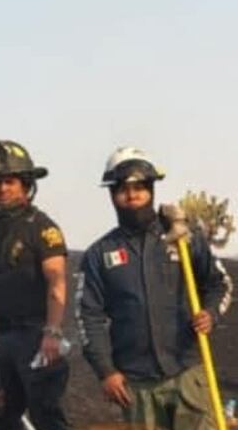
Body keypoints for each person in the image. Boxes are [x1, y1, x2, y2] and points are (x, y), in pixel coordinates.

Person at [77, 147, 234, 429]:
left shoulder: (183, 238)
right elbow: (89, 317)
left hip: (188, 371)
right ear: (113, 195)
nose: (132, 194)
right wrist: (106, 371)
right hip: (137, 385)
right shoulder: (99, 255)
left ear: (151, 189)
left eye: (139, 187)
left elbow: (219, 283)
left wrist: (210, 313)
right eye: (123, 188)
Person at [0, 138, 70, 430]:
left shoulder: (43, 228)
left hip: (37, 336)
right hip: (5, 336)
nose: (2, 188)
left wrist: (52, 333)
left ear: (25, 184)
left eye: (10, 181)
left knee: (46, 415)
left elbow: (56, 282)